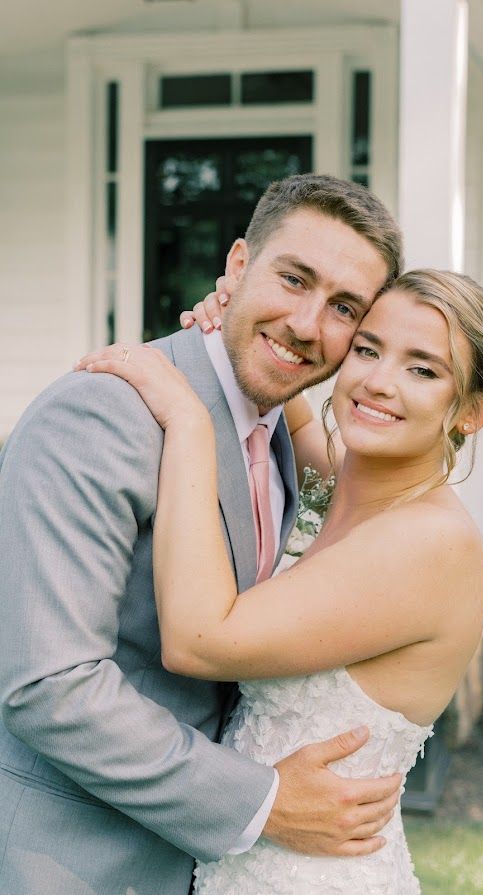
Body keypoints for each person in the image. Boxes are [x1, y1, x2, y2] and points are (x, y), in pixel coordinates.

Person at [0, 175, 404, 895]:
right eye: (293, 278)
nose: (309, 325)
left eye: (343, 307)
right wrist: (264, 800)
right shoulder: (102, 414)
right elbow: (49, 685)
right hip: (73, 861)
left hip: (203, 866)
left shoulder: (281, 431)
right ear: (238, 264)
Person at [75, 267, 483, 893]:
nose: (378, 382)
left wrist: (188, 419)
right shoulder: (355, 485)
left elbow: (199, 639)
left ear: (472, 410)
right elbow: (299, 425)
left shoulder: (427, 542)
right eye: (367, 349)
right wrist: (244, 330)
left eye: (422, 369)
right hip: (254, 855)